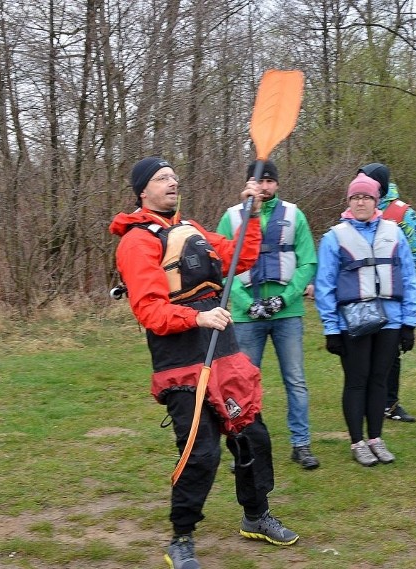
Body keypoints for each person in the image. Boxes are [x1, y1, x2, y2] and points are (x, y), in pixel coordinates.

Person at [109, 157, 298, 569]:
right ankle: (181, 537)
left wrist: (250, 214)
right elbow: (150, 312)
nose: (172, 182)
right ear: (143, 191)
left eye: (175, 176)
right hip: (181, 360)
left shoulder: (191, 229)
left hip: (224, 351)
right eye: (162, 178)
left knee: (253, 439)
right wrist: (197, 316)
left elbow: (239, 259)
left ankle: (256, 515)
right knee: (201, 452)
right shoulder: (137, 241)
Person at [216, 160, 319, 470]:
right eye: (257, 181)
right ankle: (243, 446)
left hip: (287, 314)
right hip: (247, 316)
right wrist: (246, 302)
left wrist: (283, 300)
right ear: (248, 183)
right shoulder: (232, 217)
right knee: (241, 384)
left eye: (269, 181)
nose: (263, 187)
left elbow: (307, 263)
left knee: (296, 380)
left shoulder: (293, 215)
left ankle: (300, 444)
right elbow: (222, 268)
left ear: (276, 184)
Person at [314, 172, 416, 466]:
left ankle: (375, 437)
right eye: (355, 197)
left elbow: (409, 278)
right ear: (349, 201)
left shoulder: (394, 233)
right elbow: (325, 285)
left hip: (391, 319)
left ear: (377, 201)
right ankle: (357, 441)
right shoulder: (334, 237)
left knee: (379, 381)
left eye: (366, 197)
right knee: (357, 381)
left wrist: (409, 323)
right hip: (353, 321)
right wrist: (331, 329)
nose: (361, 202)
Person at [358, 163, 416, 423]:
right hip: (361, 297)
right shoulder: (357, 209)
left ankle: (390, 403)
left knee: (390, 352)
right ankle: (364, 400)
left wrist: (397, 277)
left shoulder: (403, 214)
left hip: (391, 297)